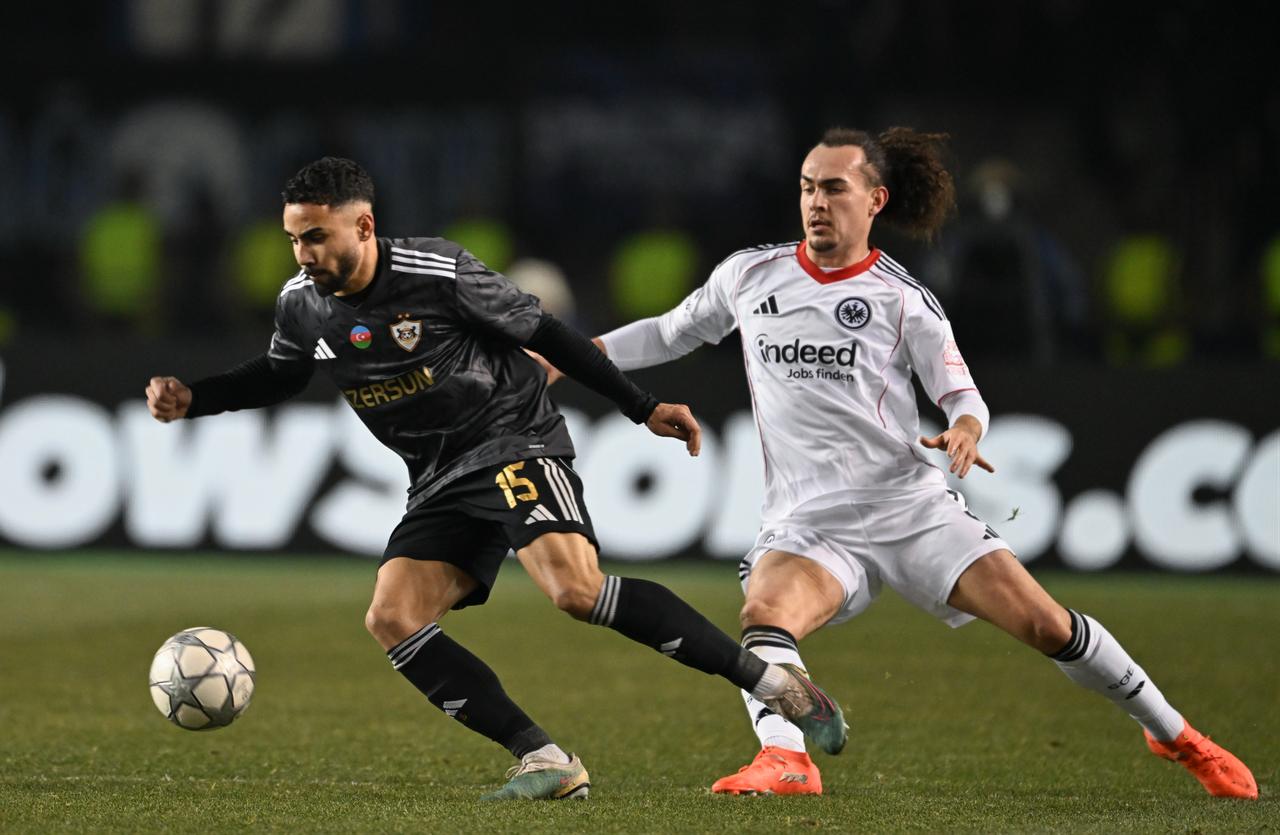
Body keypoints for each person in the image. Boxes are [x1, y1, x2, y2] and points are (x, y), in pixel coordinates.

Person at [540, 129, 1258, 800]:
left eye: (835, 189)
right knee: (764, 614)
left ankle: (1176, 734)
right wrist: (568, 357)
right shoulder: (751, 275)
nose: (817, 203)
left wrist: (966, 429)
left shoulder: (902, 300)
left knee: (1048, 627)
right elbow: (668, 332)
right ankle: (787, 756)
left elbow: (960, 392)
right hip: (808, 522)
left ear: (875, 200)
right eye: (807, 187)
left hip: (908, 509)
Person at [144, 157, 847, 801]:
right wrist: (196, 398)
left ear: (364, 224)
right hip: (437, 474)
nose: (305, 255)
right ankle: (544, 757)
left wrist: (643, 407)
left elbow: (548, 332)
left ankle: (775, 685)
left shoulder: (438, 271)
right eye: (296, 239)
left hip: (512, 438)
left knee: (574, 590)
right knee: (392, 616)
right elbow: (282, 371)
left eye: (318, 237)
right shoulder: (301, 301)